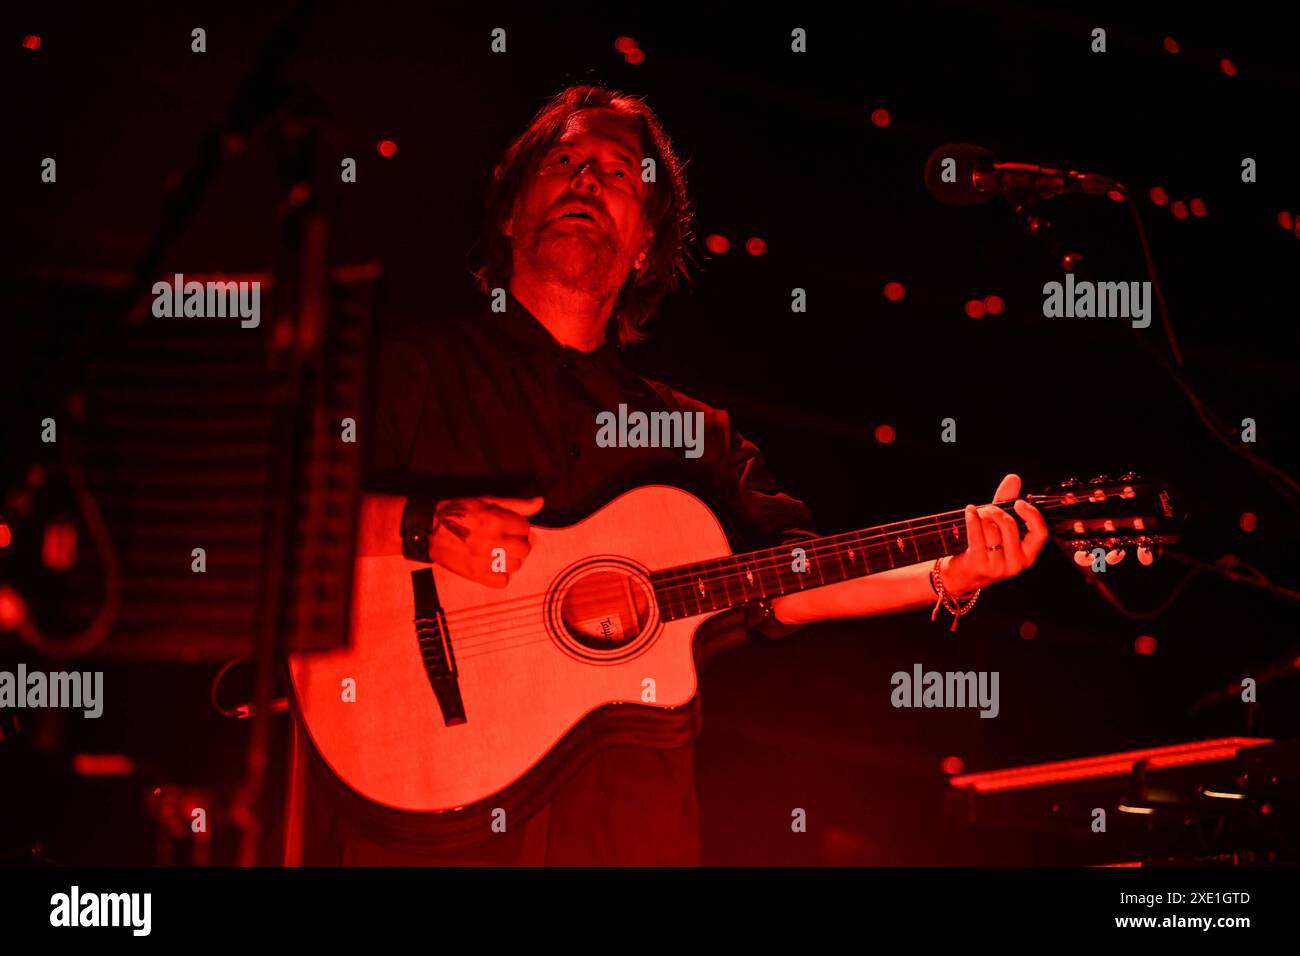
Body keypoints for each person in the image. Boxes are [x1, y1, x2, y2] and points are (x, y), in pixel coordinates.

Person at [307, 84, 1048, 865]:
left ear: (644, 249)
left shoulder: (694, 438)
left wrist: (949, 569)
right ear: (508, 212)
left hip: (626, 826)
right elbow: (271, 518)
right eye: (562, 163)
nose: (587, 181)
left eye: (620, 174)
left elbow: (790, 579)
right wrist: (414, 524)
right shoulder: (407, 372)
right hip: (416, 814)